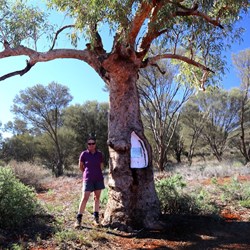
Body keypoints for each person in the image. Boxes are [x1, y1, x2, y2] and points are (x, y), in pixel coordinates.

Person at [74, 136, 105, 228]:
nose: (91, 145)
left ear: (95, 144)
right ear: (87, 145)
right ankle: (78, 220)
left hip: (98, 178)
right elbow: (81, 166)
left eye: (93, 143)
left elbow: (101, 166)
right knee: (85, 198)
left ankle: (96, 219)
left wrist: (97, 172)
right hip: (88, 179)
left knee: (97, 198)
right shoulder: (84, 154)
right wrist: (87, 173)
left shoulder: (99, 154)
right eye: (89, 144)